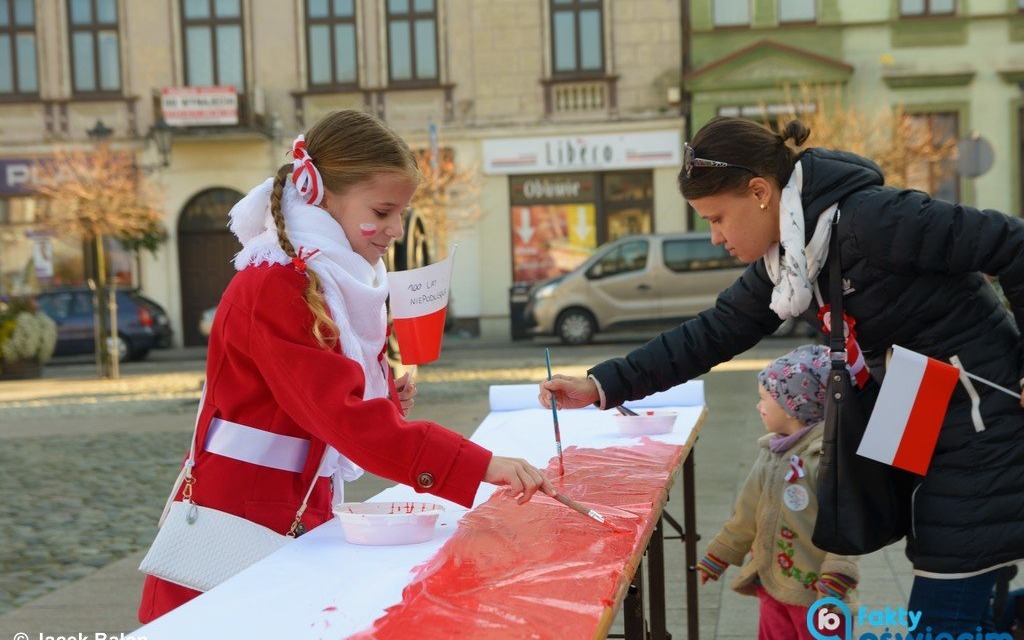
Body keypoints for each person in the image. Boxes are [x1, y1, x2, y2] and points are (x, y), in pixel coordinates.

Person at [539, 116, 1024, 635]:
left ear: (761, 192)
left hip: (977, 405)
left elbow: (1013, 242)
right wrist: (601, 385)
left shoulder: (872, 219)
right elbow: (713, 332)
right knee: (949, 557)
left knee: (948, 588)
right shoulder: (793, 256)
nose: (714, 237)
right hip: (919, 403)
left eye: (718, 218)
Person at [139, 110, 554, 622]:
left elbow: (327, 408)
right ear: (321, 194)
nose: (394, 230)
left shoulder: (332, 278)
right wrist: (476, 464)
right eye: (382, 212)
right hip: (238, 525)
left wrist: (381, 398)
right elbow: (344, 420)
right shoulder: (277, 284)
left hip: (286, 512)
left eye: (400, 213)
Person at [695, 344, 858, 640]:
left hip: (818, 593)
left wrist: (837, 572)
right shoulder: (770, 453)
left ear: (793, 405)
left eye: (764, 399)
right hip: (770, 583)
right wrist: (721, 554)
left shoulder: (824, 460)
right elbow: (746, 511)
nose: (759, 406)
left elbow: (847, 523)